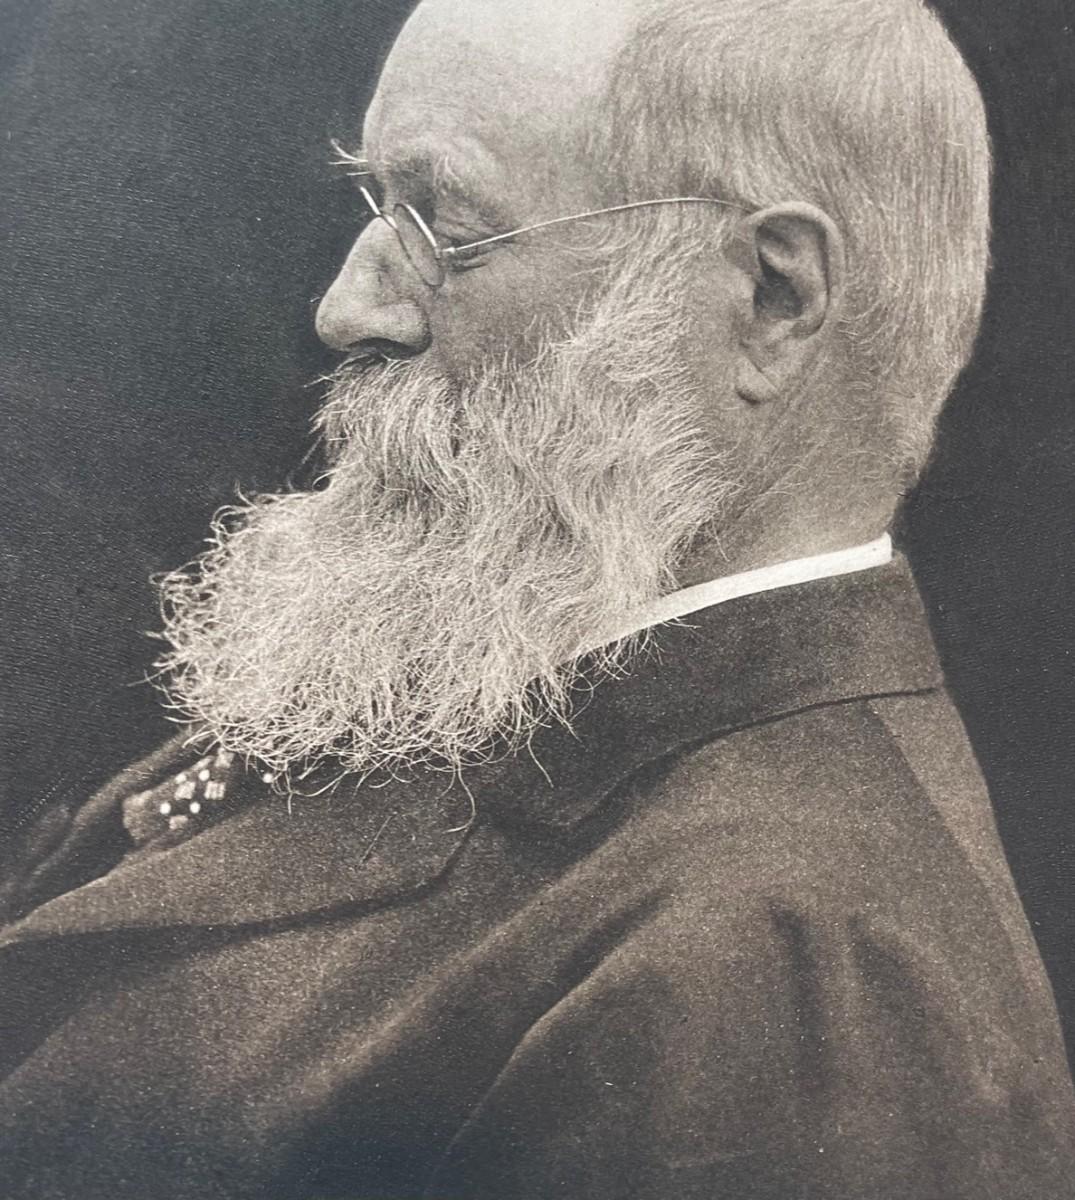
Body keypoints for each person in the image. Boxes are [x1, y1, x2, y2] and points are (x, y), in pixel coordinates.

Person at [2, 0, 1073, 1196]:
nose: (347, 308)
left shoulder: (792, 975)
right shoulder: (485, 671)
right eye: (376, 210)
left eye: (444, 229)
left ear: (770, 299)